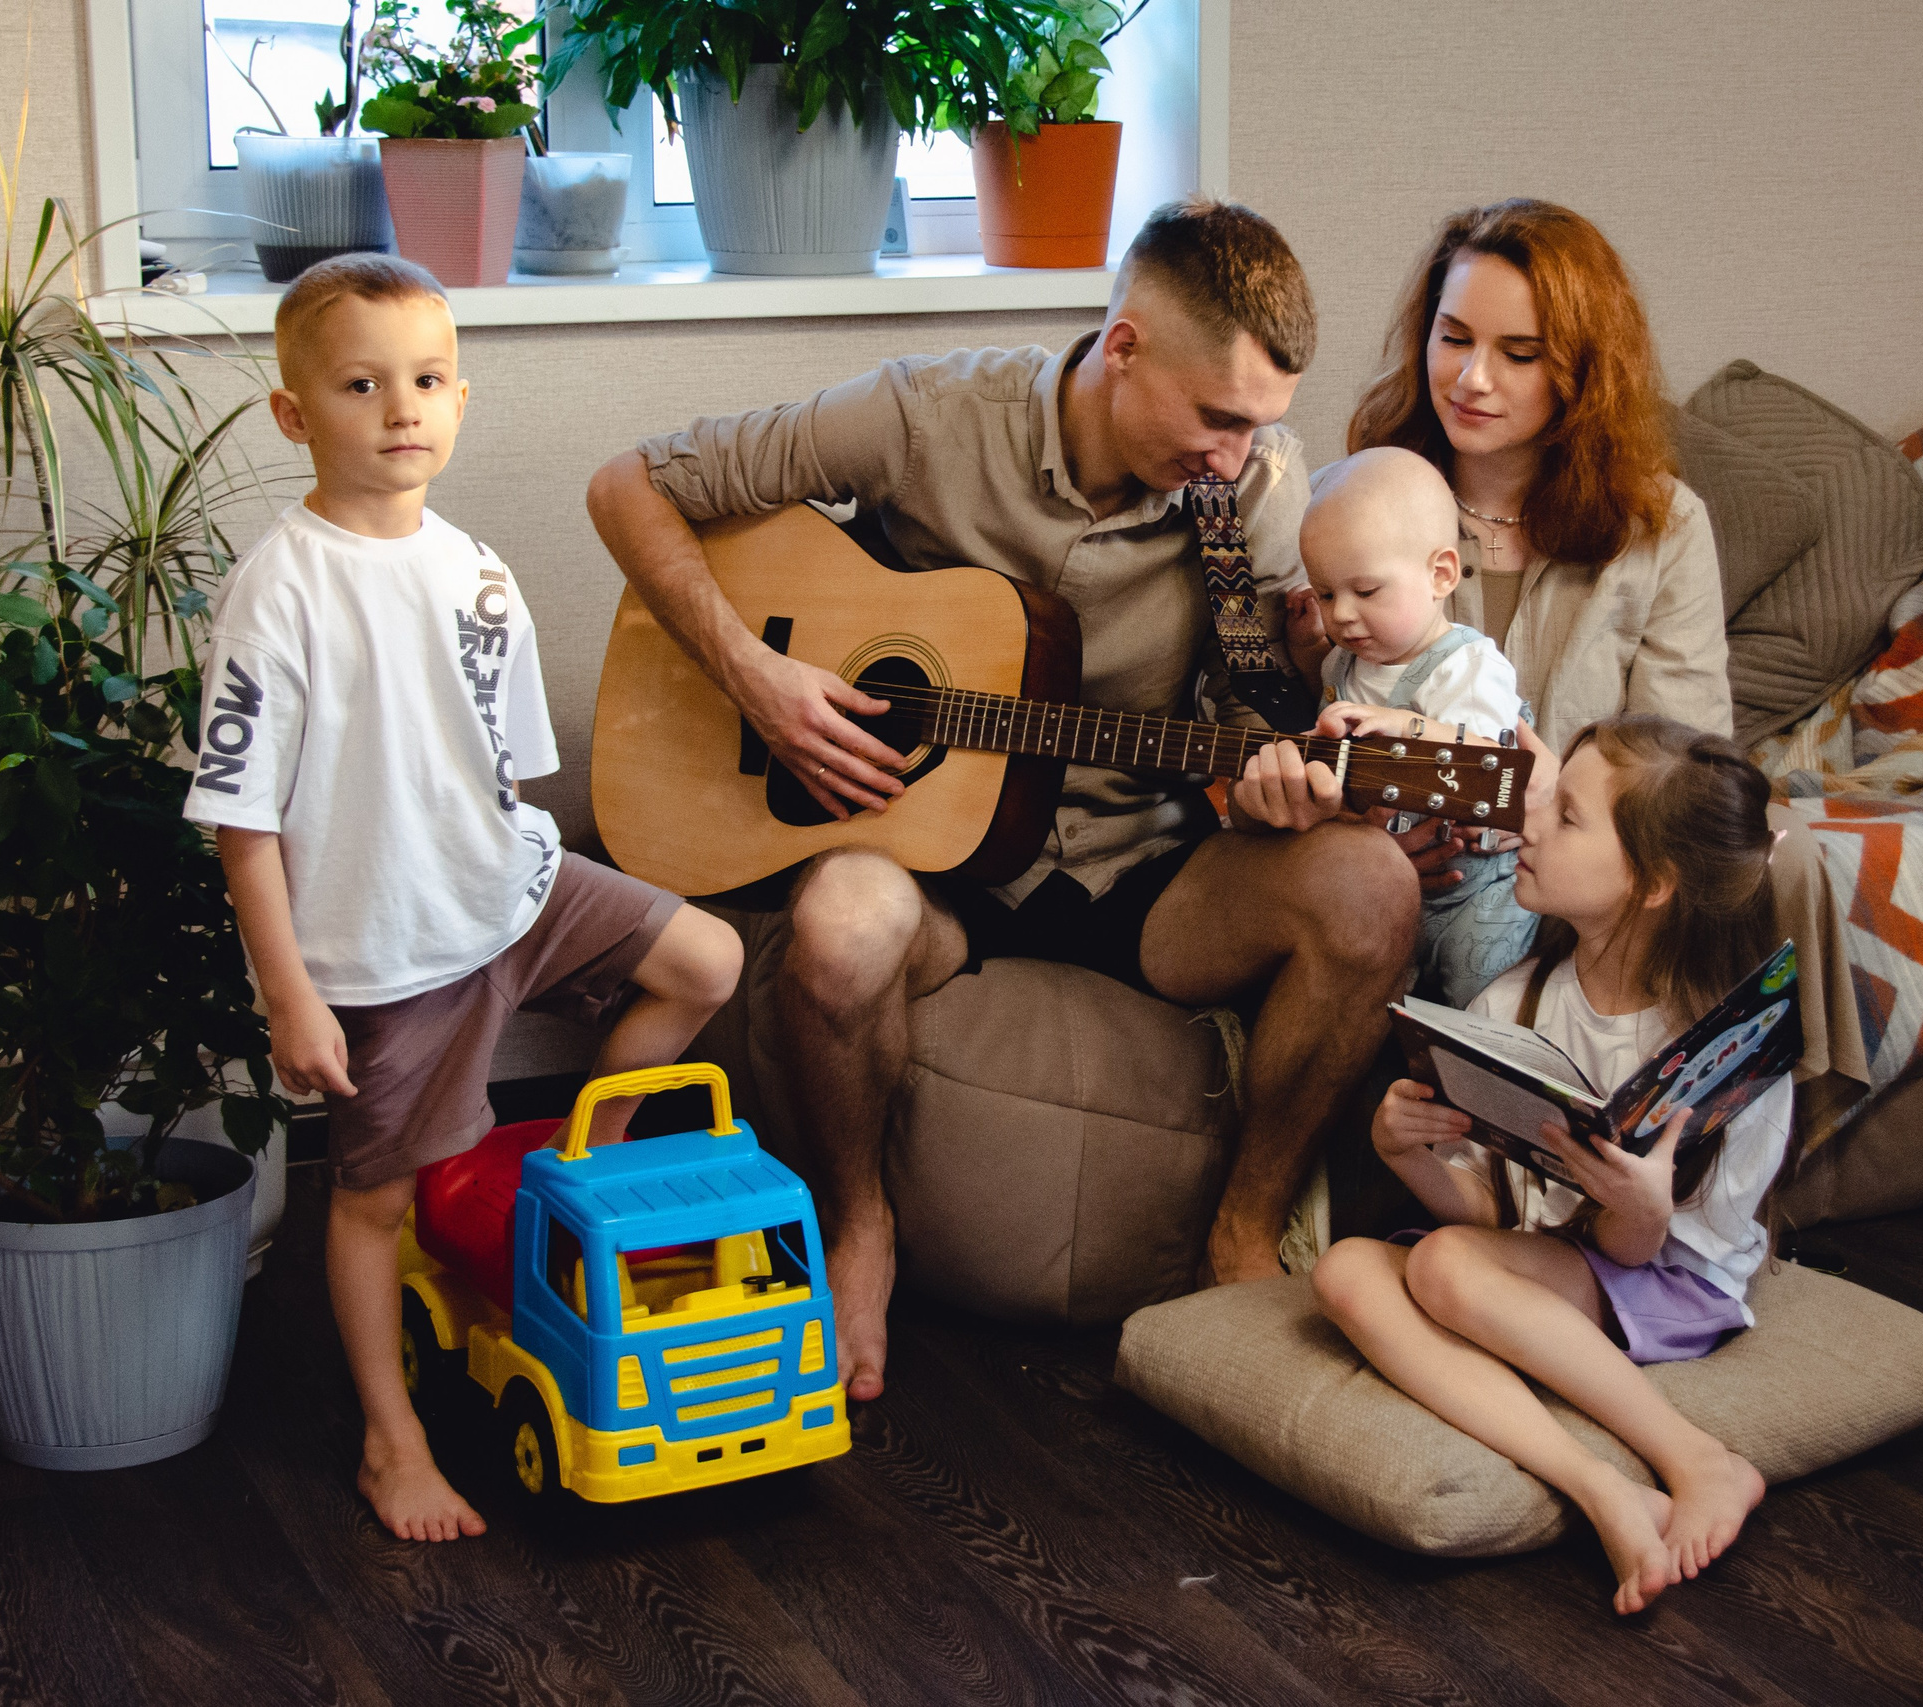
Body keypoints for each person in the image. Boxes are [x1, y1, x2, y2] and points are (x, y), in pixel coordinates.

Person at [586, 199, 1419, 1405]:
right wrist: (756, 679)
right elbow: (631, 487)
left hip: (1141, 868)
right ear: (1123, 347)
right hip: (932, 868)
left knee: (1369, 884)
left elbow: (1247, 718)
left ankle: (1243, 1226)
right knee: (839, 927)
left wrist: (1278, 773)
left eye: (1260, 427)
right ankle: (855, 1224)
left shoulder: (1247, 497)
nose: (1237, 456)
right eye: (1218, 417)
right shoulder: (926, 416)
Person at [186, 255, 743, 1543]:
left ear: (460, 397)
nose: (401, 409)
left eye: (427, 380)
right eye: (363, 383)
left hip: (513, 888)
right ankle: (392, 1443)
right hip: (387, 952)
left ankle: (568, 1179)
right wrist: (292, 998)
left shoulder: (477, 570)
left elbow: (494, 776)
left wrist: (521, 878)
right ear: (294, 413)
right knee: (374, 1200)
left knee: (707, 962)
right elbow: (240, 816)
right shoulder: (281, 590)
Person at [1312, 714, 1785, 1616]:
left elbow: (1642, 1250)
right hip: (1555, 1258)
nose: (1527, 823)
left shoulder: (1723, 1047)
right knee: (1346, 1272)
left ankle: (1701, 1459)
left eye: (1565, 815)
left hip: (1670, 1275)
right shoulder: (1516, 1000)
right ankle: (1605, 1487)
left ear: (1651, 882)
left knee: (1442, 1267)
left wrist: (1640, 1209)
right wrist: (1401, 1152)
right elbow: (1492, 1216)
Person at [1346, 199, 1732, 757]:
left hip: (1591, 842)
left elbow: (1685, 775)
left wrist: (1556, 807)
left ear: (1587, 371)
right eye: (1454, 339)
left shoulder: (1666, 530)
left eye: (1521, 354)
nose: (1472, 379)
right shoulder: (1357, 496)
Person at [1283, 446, 1536, 1005]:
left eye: (1365, 591)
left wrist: (1404, 723)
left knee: (1482, 996)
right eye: (1327, 593)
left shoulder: (1467, 667)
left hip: (1478, 892)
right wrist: (1306, 657)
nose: (1342, 614)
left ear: (1441, 574)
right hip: (1393, 889)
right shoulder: (1343, 662)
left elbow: (1489, 765)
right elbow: (1331, 727)